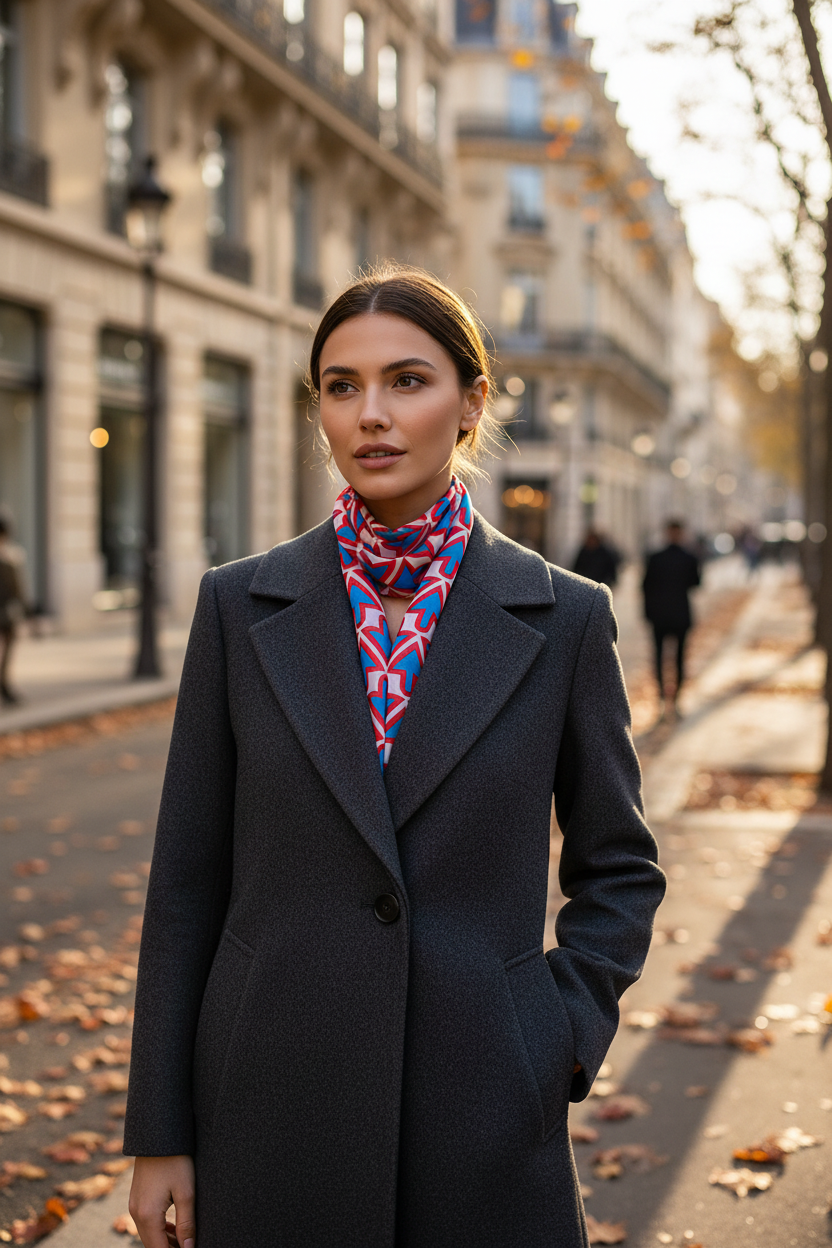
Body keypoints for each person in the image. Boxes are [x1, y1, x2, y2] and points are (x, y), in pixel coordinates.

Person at [124, 266, 665, 1248]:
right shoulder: (239, 608)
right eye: (340, 385)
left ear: (471, 402)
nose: (369, 415)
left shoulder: (567, 618)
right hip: (265, 1108)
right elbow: (185, 886)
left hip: (487, 1114)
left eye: (406, 381)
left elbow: (619, 867)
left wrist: (553, 1033)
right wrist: (159, 1131)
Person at [642, 518, 701, 711]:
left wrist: (648, 612)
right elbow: (696, 583)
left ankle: (664, 696)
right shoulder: (689, 557)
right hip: (678, 614)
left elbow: (645, 587)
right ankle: (672, 697)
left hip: (661, 615)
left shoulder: (655, 557)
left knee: (663, 656)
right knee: (676, 657)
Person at [0, 514, 27, 706]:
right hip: (5, 614)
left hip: (5, 613)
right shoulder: (10, 557)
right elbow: (18, 590)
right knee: (7, 651)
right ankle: (4, 685)